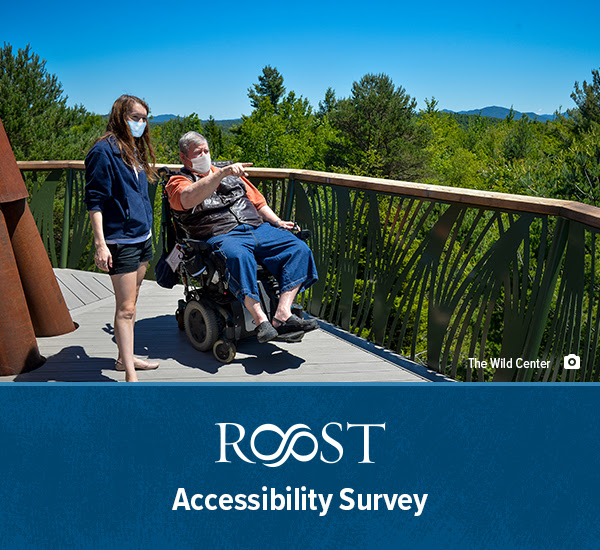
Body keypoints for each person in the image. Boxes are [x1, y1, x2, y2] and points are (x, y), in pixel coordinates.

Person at [166, 131, 318, 343]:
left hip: (256, 228)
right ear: (184, 157)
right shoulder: (178, 182)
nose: (204, 155)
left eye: (206, 151)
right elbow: (188, 199)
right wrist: (219, 174)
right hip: (221, 234)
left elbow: (258, 203)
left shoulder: (230, 175)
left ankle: (283, 312)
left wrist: (277, 222)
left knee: (298, 249)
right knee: (238, 257)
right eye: (198, 152)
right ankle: (260, 319)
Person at [84, 94, 159, 382]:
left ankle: (123, 358)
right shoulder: (103, 152)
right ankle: (130, 375)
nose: (140, 123)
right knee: (126, 309)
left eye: (144, 118)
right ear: (120, 116)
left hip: (142, 236)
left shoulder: (133, 149)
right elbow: (95, 201)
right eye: (135, 117)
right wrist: (101, 244)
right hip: (121, 240)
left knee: (132, 301)